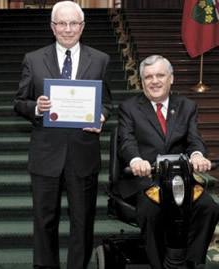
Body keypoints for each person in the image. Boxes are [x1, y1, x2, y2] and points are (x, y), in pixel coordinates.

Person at [14, 1, 113, 268]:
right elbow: (19, 102)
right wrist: (36, 107)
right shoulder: (33, 59)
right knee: (45, 220)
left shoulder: (100, 59)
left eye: (73, 24)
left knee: (83, 221)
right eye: (61, 23)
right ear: (52, 27)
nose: (67, 29)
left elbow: (106, 102)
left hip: (83, 153)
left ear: (82, 27)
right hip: (46, 154)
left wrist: (101, 115)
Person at [116, 55, 219, 269]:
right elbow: (126, 141)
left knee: (208, 207)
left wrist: (198, 155)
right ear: (143, 81)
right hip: (147, 181)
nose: (154, 81)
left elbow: (194, 139)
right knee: (150, 211)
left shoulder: (187, 106)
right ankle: (159, 265)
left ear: (171, 78)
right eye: (148, 77)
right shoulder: (129, 107)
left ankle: (189, 261)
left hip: (180, 181)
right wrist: (136, 160)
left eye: (160, 75)